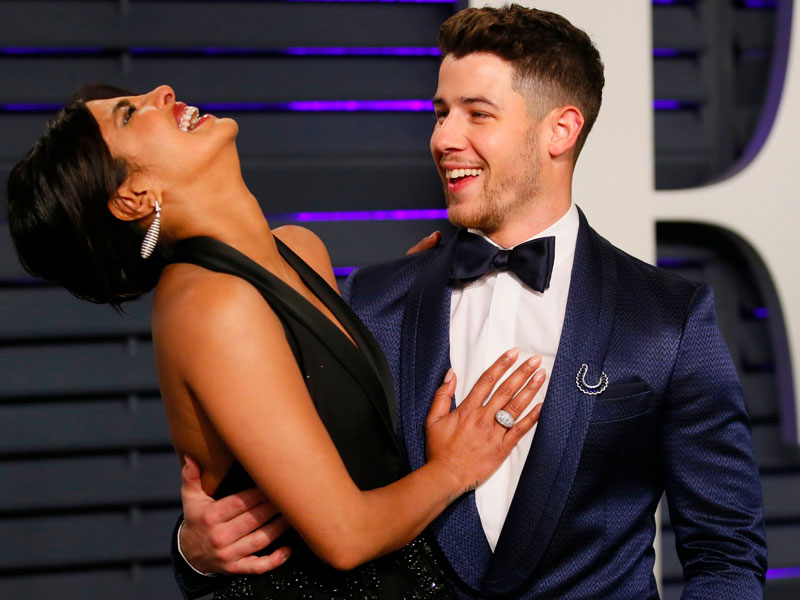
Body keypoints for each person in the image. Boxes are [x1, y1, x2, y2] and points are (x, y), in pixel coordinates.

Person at [176, 5, 768, 599]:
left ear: (560, 130)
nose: (443, 138)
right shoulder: (366, 304)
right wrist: (196, 551)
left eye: (476, 114)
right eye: (440, 114)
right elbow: (298, 501)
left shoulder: (669, 318)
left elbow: (726, 553)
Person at [6, 81, 552, 599]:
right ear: (133, 196)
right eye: (129, 114)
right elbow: (346, 536)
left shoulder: (299, 249)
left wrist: (411, 294)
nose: (163, 92)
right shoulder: (209, 307)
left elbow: (348, 419)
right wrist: (457, 466)